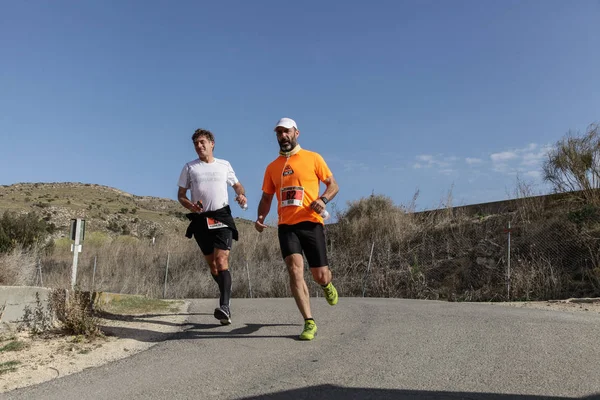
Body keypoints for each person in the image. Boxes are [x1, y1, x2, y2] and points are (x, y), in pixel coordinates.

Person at [254, 117, 339, 340]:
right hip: (286, 226)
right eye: (279, 133)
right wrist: (261, 216)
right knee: (294, 269)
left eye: (286, 132)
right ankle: (309, 321)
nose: (283, 136)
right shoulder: (272, 167)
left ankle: (327, 284)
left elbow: (333, 185)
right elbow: (266, 196)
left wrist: (323, 199)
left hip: (311, 222)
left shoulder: (313, 158)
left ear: (296, 133)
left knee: (319, 275)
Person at [178, 128, 247, 325]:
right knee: (214, 267)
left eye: (202, 142)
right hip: (201, 220)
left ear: (212, 143)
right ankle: (225, 290)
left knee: (221, 260)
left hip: (221, 216)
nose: (199, 146)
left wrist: (241, 194)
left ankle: (224, 306)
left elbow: (237, 185)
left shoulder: (224, 165)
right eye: (196, 144)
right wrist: (188, 204)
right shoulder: (190, 167)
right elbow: (181, 195)